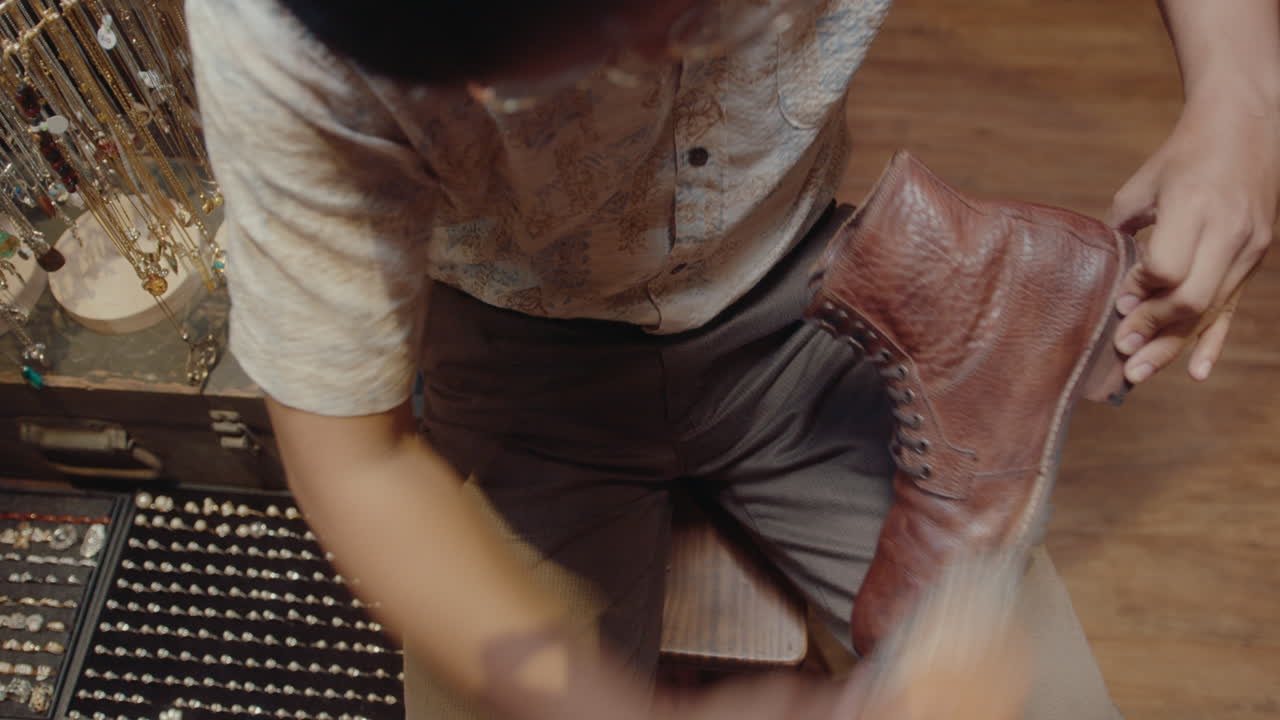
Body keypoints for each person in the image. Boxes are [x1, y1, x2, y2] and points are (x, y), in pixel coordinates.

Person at [186, 0, 1280, 718]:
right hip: (512, 353)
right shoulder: (272, 36)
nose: (644, 82)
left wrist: (1242, 96)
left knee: (1047, 704)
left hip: (799, 300)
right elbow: (356, 461)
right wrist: (612, 712)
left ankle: (978, 295)